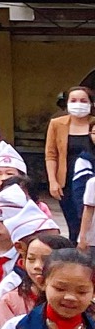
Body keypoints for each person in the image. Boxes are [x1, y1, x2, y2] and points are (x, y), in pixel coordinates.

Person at [52, 86, 95, 244]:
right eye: (74, 100)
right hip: (66, 180)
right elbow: (51, 154)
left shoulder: (94, 124)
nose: (78, 104)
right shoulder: (57, 124)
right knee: (73, 222)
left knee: (89, 221)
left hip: (90, 179)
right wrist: (53, 181)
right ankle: (75, 252)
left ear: (91, 103)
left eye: (83, 100)